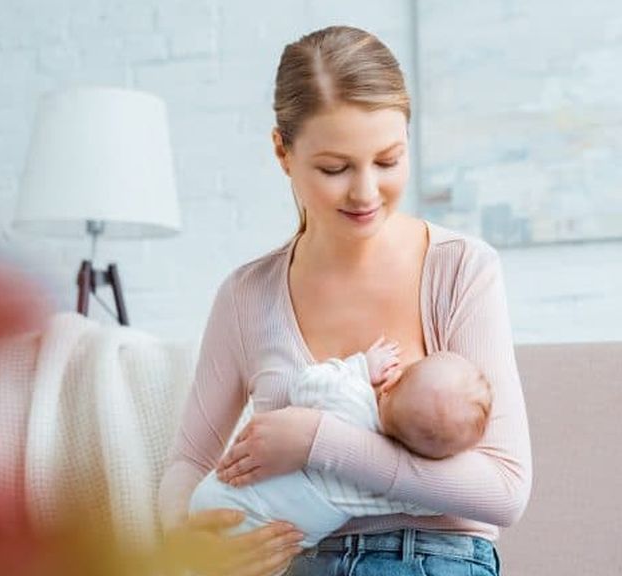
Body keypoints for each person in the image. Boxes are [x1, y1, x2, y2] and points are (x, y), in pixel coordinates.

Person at [158, 24, 532, 576]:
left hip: (434, 560)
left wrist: (318, 442)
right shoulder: (247, 296)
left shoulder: (460, 270)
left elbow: (505, 488)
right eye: (335, 168)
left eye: (387, 161)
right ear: (282, 152)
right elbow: (189, 460)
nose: (365, 192)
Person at [188, 337, 493, 551]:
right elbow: (434, 500)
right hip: (271, 541)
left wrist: (360, 367)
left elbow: (306, 383)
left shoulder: (347, 396)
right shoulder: (387, 490)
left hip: (221, 498)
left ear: (390, 383)